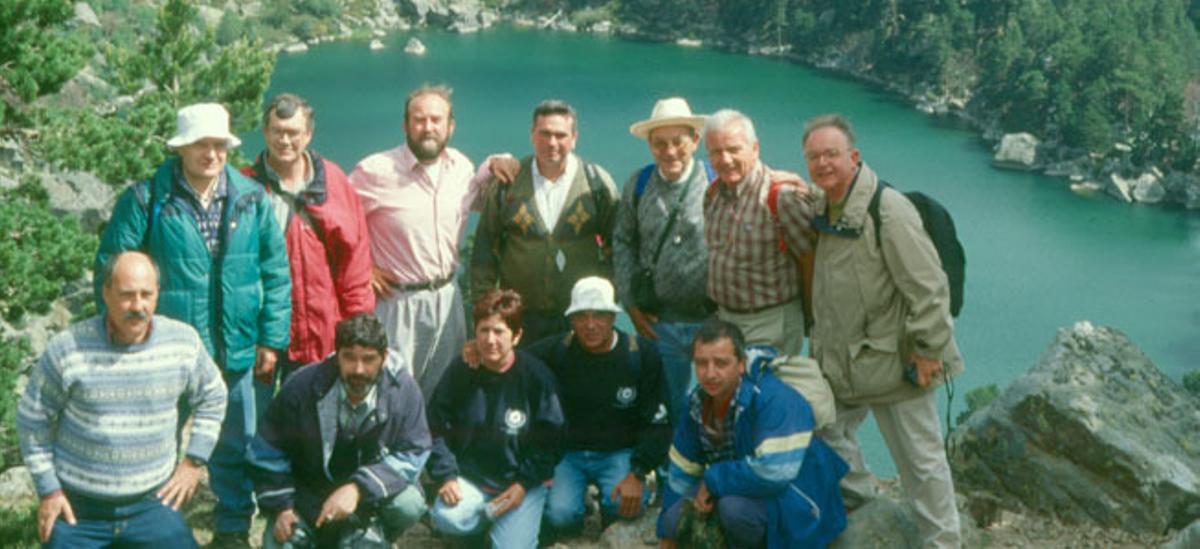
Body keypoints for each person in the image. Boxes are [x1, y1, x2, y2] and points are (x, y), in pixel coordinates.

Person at [94, 102, 291, 547]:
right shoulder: (147, 199)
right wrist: (125, 335)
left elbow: (277, 273)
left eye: (219, 144)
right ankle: (145, 525)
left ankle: (233, 528)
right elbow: (110, 269)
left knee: (235, 444)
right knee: (153, 441)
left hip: (236, 347)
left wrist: (271, 340)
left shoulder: (251, 199)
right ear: (181, 147)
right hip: (164, 351)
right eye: (201, 144)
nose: (212, 154)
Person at [803, 113, 965, 548]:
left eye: (832, 154)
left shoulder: (887, 210)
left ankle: (943, 544)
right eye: (814, 157)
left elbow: (930, 288)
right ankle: (865, 499)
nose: (823, 164)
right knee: (818, 423)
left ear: (854, 157)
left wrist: (930, 351)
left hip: (897, 363)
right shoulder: (825, 207)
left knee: (922, 465)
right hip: (848, 364)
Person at [18, 251, 227, 547]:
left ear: (157, 294)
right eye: (127, 295)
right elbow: (31, 420)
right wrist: (49, 491)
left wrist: (193, 462)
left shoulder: (183, 343)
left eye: (146, 294)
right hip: (79, 509)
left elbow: (214, 396)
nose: (138, 306)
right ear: (106, 293)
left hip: (152, 504)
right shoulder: (68, 349)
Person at [350, 85, 514, 400]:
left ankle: (435, 450)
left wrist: (500, 159)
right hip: (397, 304)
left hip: (447, 300)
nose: (428, 128)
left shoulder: (460, 167)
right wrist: (362, 270)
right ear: (405, 125)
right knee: (390, 393)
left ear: (450, 126)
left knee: (446, 393)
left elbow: (484, 190)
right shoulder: (375, 171)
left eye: (436, 120)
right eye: (419, 119)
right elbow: (333, 221)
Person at [656, 319, 848, 548]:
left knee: (733, 511)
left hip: (797, 496)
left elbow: (775, 471)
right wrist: (666, 533)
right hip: (741, 484)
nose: (710, 373)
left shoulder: (775, 397)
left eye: (721, 363)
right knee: (673, 521)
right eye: (701, 363)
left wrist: (714, 479)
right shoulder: (696, 402)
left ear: (741, 363)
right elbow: (682, 469)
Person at [249, 313, 430, 548]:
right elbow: (266, 450)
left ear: (384, 358)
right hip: (307, 493)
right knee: (280, 544)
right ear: (336, 356)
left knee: (409, 503)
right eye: (349, 358)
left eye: (369, 359)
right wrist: (283, 507)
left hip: (369, 499)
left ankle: (373, 531)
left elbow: (414, 451)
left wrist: (358, 489)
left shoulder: (403, 390)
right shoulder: (302, 386)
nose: (359, 369)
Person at [523, 277, 671, 540]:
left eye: (599, 316)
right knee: (560, 515)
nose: (590, 325)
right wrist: (475, 351)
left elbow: (659, 422)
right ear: (571, 320)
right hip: (569, 454)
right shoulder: (557, 350)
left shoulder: (641, 355)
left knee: (624, 506)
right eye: (581, 316)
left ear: (614, 317)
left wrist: (638, 473)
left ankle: (607, 505)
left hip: (619, 452)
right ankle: (581, 508)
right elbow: (510, 360)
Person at [242, 93, 375, 380]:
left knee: (316, 422)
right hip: (263, 337)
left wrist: (357, 331)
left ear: (308, 134)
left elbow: (355, 262)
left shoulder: (332, 181)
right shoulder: (247, 187)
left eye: (293, 133)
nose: (284, 141)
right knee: (261, 420)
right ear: (265, 132)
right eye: (277, 132)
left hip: (323, 333)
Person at [470, 99, 621, 345]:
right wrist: (488, 313)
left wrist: (604, 302)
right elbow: (485, 251)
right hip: (519, 319)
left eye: (560, 135)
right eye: (545, 134)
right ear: (532, 135)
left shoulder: (596, 183)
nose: (552, 143)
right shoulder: (508, 183)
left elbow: (618, 247)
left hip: (580, 319)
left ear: (574, 138)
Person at [427, 289, 565, 548]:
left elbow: (551, 440)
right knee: (446, 519)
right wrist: (446, 475)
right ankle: (483, 525)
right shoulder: (461, 370)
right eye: (483, 330)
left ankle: (529, 521)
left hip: (519, 485)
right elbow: (435, 425)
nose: (490, 340)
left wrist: (525, 484)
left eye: (499, 331)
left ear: (517, 335)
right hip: (472, 480)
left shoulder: (537, 377)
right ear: (474, 332)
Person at [613, 97, 713, 424]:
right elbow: (623, 241)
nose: (669, 152)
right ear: (650, 145)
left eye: (678, 142)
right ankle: (672, 472)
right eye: (660, 144)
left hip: (712, 319)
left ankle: (717, 472)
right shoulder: (639, 185)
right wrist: (630, 305)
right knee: (666, 405)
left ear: (695, 141)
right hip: (660, 322)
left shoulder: (716, 181)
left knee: (722, 402)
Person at [703, 109, 814, 357]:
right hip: (725, 321)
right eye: (716, 152)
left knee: (768, 392)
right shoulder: (712, 195)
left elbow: (811, 259)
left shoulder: (780, 197)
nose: (725, 159)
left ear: (755, 148)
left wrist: (808, 317)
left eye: (734, 149)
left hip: (771, 323)